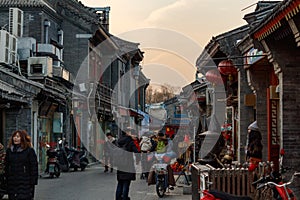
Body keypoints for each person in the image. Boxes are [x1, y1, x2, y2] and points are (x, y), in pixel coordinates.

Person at [5, 130, 38, 200]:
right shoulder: (9, 151)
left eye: (18, 136)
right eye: (14, 136)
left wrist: (33, 182)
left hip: (25, 182)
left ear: (22, 138)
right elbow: (7, 165)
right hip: (12, 182)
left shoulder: (29, 151)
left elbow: (34, 167)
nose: (15, 138)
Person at [115, 128, 139, 200]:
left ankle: (118, 198)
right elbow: (136, 152)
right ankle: (125, 198)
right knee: (126, 183)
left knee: (120, 183)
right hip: (128, 165)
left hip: (120, 165)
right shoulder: (130, 142)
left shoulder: (118, 141)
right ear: (127, 133)